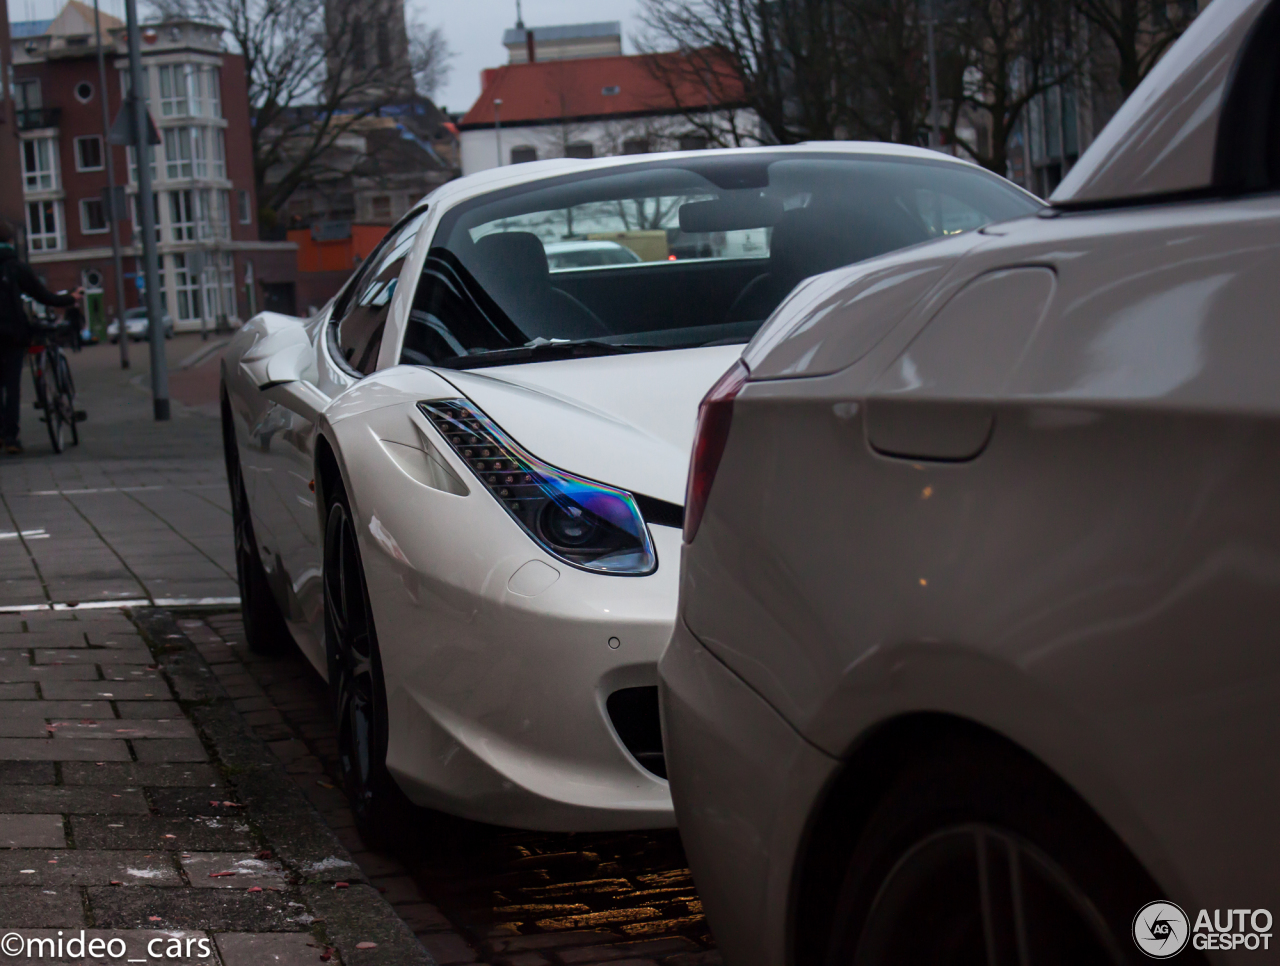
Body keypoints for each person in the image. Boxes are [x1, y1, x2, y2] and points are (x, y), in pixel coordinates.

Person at [0, 221, 82, 455]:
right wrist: (70, 298)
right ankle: (11, 438)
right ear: (10, 242)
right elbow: (44, 296)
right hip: (13, 335)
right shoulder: (16, 267)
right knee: (12, 385)